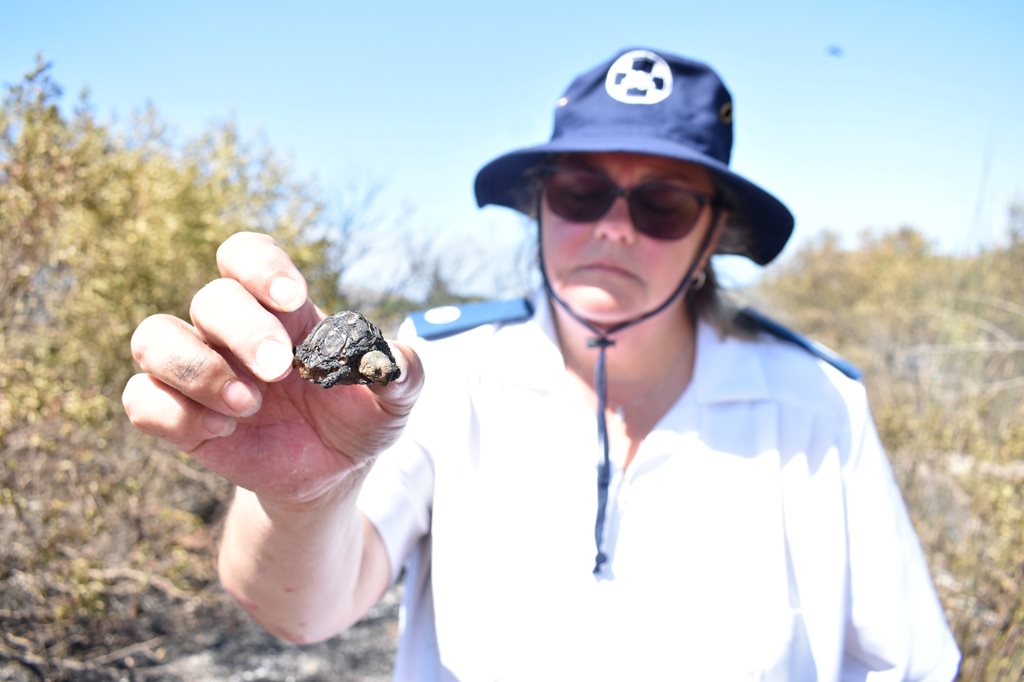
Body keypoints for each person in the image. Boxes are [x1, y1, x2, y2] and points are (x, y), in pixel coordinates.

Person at [123, 47, 961, 680]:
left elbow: (914, 662)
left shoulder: (816, 405)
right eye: (581, 193)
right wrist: (299, 495)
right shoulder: (439, 373)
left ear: (713, 239)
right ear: (540, 212)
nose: (614, 228)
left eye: (664, 204)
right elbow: (302, 614)